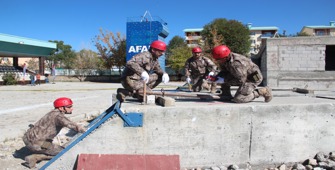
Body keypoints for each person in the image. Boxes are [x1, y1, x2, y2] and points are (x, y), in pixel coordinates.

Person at [22, 97, 86, 168]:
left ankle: (38, 150)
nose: (72, 108)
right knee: (63, 152)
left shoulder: (51, 113)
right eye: (69, 107)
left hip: (28, 139)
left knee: (49, 145)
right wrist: (83, 130)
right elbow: (71, 124)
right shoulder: (59, 116)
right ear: (61, 108)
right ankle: (35, 157)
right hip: (39, 143)